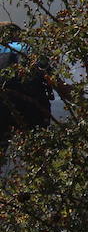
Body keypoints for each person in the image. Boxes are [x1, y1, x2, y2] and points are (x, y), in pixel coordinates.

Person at [0, 22, 64, 156]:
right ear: (19, 36)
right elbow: (55, 83)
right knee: (41, 157)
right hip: (32, 111)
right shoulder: (29, 49)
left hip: (2, 112)